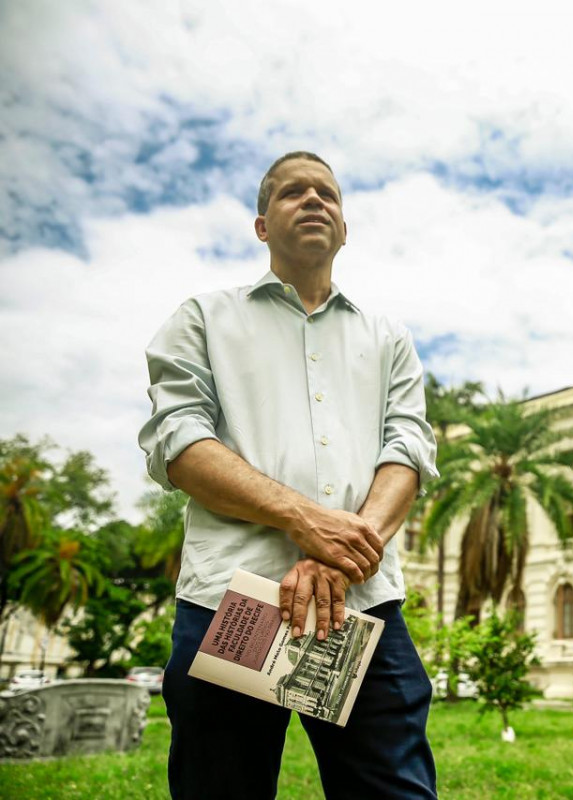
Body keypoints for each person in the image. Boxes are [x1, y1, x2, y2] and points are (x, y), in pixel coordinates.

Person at [138, 151, 439, 799]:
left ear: (345, 228)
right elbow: (180, 444)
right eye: (293, 192)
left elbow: (409, 447)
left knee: (393, 791)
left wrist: (341, 557)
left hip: (359, 604)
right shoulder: (204, 319)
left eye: (327, 193)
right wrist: (305, 520)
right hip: (236, 602)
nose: (313, 200)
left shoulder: (388, 338)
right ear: (262, 225)